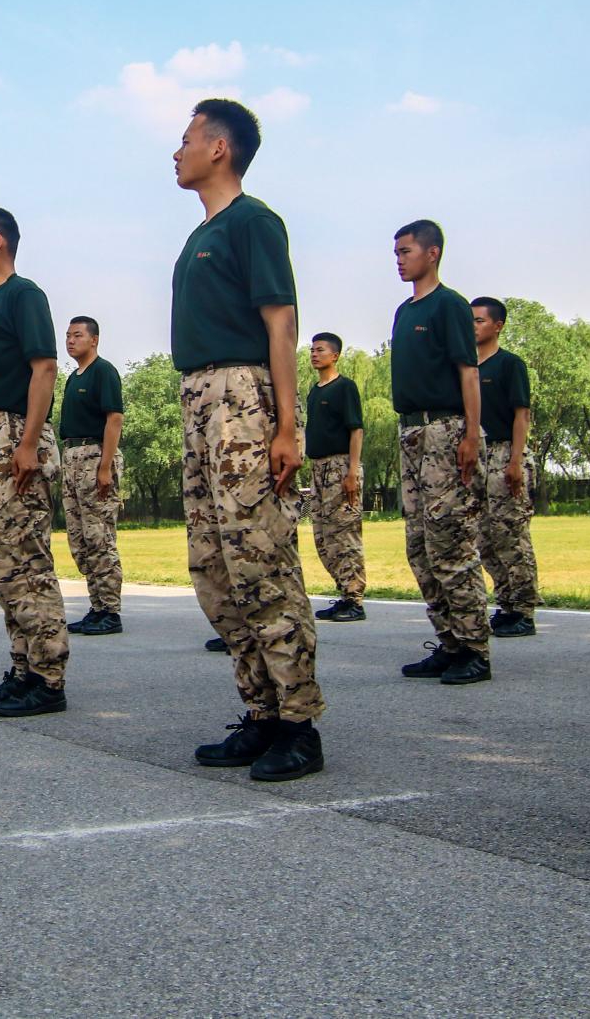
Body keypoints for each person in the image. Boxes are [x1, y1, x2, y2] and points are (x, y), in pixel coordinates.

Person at [172, 99, 324, 781]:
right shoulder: (199, 234)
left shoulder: (254, 222)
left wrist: (288, 426)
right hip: (198, 399)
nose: (176, 152)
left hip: (243, 399)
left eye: (186, 140)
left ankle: (299, 723)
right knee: (213, 563)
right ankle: (260, 711)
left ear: (219, 149)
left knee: (259, 558)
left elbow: (282, 323)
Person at [0, 209, 70, 718]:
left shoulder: (25, 295)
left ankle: (49, 678)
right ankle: (23, 668)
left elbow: (44, 367)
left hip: (13, 432)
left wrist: (26, 443)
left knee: (25, 558)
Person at [390, 220, 490, 685]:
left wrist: (470, 434)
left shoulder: (450, 305)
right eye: (396, 251)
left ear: (432, 253)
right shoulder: (403, 311)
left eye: (406, 250)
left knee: (450, 541)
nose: (399, 258)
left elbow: (468, 372)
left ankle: (474, 648)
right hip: (410, 433)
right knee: (420, 545)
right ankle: (449, 641)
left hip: (444, 431)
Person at [470, 298, 540, 637]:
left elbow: (520, 415)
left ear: (497, 325)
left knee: (510, 531)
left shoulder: (509, 364)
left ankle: (524, 608)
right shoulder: (468, 369)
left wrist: (515, 460)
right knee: (485, 535)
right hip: (478, 455)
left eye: (480, 321)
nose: (473, 327)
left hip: (503, 452)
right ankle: (506, 602)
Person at [59, 316, 126, 637]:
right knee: (80, 539)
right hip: (71, 457)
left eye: (78, 335)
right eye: (68, 335)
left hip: (95, 455)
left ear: (94, 340)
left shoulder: (104, 372)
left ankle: (110, 611)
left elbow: (114, 419)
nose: (71, 340)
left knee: (99, 536)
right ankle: (96, 605)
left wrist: (105, 466)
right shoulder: (73, 377)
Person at [302, 332, 367, 622]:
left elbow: (356, 429)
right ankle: (343, 592)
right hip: (318, 468)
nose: (315, 354)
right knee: (324, 535)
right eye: (312, 350)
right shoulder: (315, 391)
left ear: (335, 355)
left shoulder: (344, 388)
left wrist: (352, 471)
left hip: (340, 466)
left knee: (345, 531)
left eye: (321, 350)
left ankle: (355, 598)